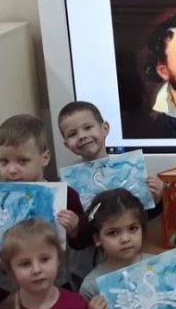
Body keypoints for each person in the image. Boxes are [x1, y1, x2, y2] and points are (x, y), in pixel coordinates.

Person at [0, 114, 92, 300]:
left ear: (44, 157)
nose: (12, 170)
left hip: (57, 286)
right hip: (11, 289)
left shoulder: (66, 195)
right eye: (4, 161)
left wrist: (76, 229)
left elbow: (82, 243)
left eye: (22, 161)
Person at [57, 99, 164, 287]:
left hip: (127, 261)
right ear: (66, 144)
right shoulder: (68, 184)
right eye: (73, 134)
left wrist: (156, 199)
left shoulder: (129, 169)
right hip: (87, 268)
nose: (82, 136)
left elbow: (139, 216)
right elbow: (78, 240)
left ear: (104, 128)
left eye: (88, 127)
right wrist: (74, 231)